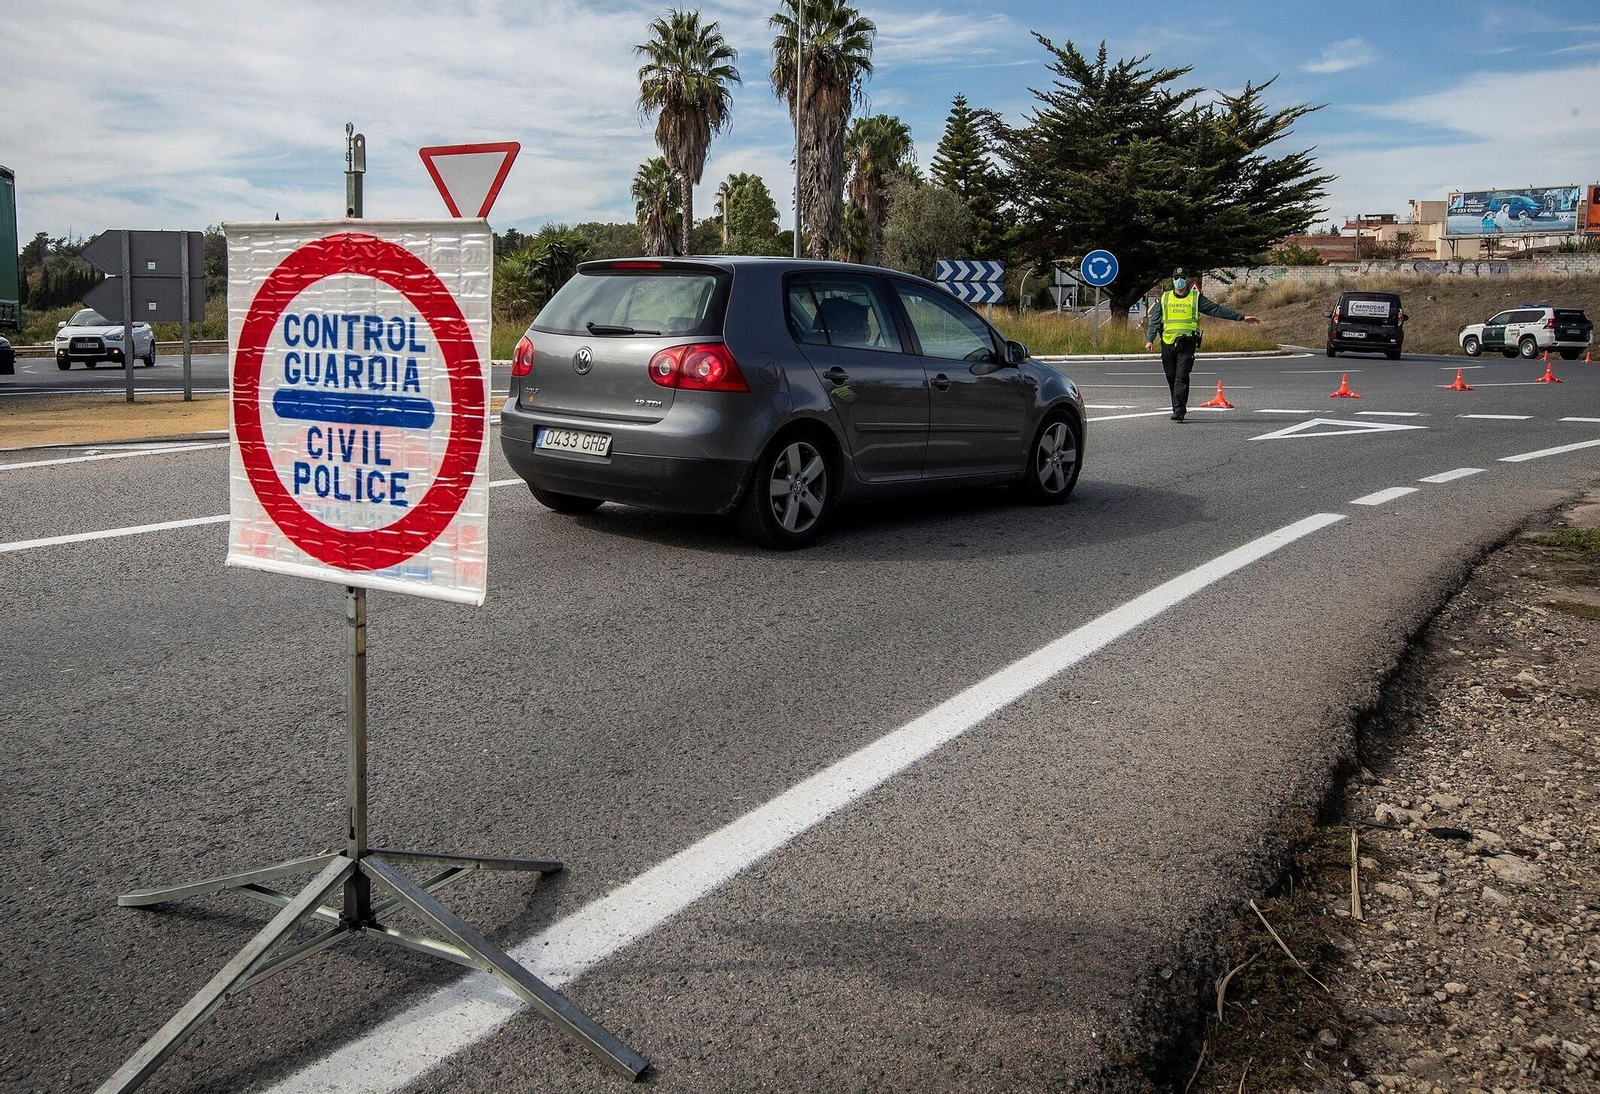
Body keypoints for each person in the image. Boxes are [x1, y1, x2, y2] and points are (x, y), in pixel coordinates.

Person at [1143, 267, 1260, 421]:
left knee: (1181, 376)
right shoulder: (1165, 298)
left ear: (1187, 280)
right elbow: (1155, 321)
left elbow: (1216, 309)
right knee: (1171, 377)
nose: (1179, 280)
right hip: (1168, 343)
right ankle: (1177, 405)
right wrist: (1150, 339)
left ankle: (1179, 411)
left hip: (1187, 343)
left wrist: (1241, 317)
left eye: (1182, 277)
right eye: (1176, 277)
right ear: (1172, 280)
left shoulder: (1195, 298)